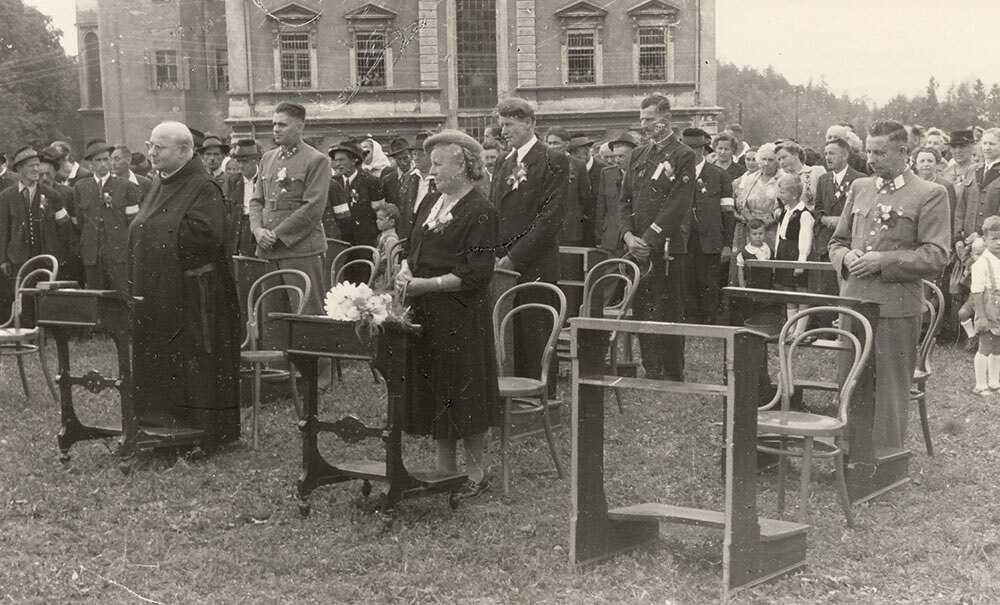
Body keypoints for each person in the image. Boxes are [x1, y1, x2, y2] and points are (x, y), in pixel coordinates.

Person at [828, 119, 951, 449]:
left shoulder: (930, 194)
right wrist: (845, 257)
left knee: (889, 390)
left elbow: (937, 255)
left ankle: (885, 460)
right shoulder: (860, 188)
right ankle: (849, 452)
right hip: (853, 304)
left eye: (880, 152)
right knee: (850, 381)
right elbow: (836, 242)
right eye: (868, 151)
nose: (871, 159)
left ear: (903, 152)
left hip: (895, 309)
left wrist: (883, 262)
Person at [395, 130, 500, 500]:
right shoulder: (431, 202)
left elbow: (477, 274)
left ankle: (475, 474)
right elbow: (412, 246)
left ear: (464, 165)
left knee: (464, 393)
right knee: (437, 388)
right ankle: (444, 470)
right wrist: (406, 271)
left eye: (439, 163)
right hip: (425, 315)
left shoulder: (481, 211)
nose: (431, 169)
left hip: (460, 316)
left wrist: (429, 285)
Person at [128, 121, 241, 445]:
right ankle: (159, 421)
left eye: (158, 148)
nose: (151, 153)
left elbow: (207, 235)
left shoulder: (202, 186)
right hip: (160, 293)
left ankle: (199, 428)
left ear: (183, 150)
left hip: (194, 297)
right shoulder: (160, 182)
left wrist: (151, 235)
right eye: (150, 145)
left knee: (194, 364)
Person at [491, 98, 568, 394]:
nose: (504, 130)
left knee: (536, 332)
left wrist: (514, 256)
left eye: (509, 124)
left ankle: (541, 398)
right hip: (503, 267)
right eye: (501, 124)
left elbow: (550, 219)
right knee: (511, 333)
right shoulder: (503, 161)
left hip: (534, 263)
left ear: (529, 124)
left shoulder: (552, 159)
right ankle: (516, 395)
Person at [619, 93, 697, 380]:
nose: (644, 125)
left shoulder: (683, 155)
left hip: (666, 248)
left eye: (649, 119)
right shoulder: (639, 154)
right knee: (643, 307)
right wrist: (628, 235)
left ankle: (673, 369)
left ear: (666, 119)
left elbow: (678, 204)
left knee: (669, 308)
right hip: (637, 247)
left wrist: (648, 238)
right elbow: (624, 200)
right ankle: (652, 367)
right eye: (641, 119)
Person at [249, 101, 331, 314]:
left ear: (300, 127)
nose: (276, 129)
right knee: (272, 316)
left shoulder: (316, 160)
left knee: (306, 313)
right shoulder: (267, 158)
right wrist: (257, 230)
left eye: (282, 124)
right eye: (274, 124)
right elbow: (257, 200)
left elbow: (312, 208)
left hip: (300, 250)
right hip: (268, 250)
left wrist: (275, 235)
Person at [0, 147, 72, 319]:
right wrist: (3, 259)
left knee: (44, 296)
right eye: (31, 166)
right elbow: (2, 230)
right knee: (21, 296)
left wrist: (57, 251)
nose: (36, 170)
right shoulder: (6, 197)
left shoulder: (51, 195)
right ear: (19, 169)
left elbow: (65, 225)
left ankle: (43, 332)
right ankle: (25, 332)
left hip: (45, 256)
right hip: (18, 257)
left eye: (37, 165)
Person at [73, 140, 143, 291]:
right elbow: (79, 223)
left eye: (106, 159)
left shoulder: (126, 186)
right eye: (98, 160)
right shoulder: (81, 187)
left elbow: (133, 223)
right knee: (95, 298)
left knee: (121, 296)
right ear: (90, 164)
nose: (103, 164)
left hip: (119, 255)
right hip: (92, 256)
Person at [681, 128, 734, 325]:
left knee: (709, 283)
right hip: (684, 239)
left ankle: (710, 321)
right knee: (686, 282)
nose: (691, 152)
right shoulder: (677, 174)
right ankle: (691, 320)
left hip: (710, 240)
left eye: (696, 148)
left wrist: (727, 244)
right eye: (687, 148)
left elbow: (728, 213)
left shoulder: (718, 175)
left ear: (704, 149)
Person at [811, 137, 865, 296]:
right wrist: (824, 219)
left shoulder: (860, 179)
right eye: (826, 153)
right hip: (827, 242)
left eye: (832, 154)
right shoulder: (824, 179)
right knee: (829, 290)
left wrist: (842, 220)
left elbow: (862, 210)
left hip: (848, 243)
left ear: (845, 155)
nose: (828, 157)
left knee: (848, 290)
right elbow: (818, 207)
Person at [729, 143, 781, 286]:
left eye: (770, 160)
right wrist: (753, 222)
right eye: (763, 159)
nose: (766, 163)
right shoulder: (751, 179)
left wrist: (766, 223)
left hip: (772, 229)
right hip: (751, 228)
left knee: (769, 264)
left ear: (777, 161)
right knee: (748, 265)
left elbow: (783, 206)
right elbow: (741, 204)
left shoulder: (781, 179)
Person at [773, 174, 814, 338]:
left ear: (794, 195)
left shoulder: (804, 214)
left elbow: (805, 239)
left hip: (795, 253)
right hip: (784, 253)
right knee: (788, 290)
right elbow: (779, 235)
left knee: (800, 291)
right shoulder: (785, 212)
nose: (780, 196)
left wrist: (801, 262)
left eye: (782, 192)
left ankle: (800, 330)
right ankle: (790, 328)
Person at [327, 140, 382, 252]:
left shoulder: (370, 182)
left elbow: (379, 212)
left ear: (353, 160)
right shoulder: (332, 183)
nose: (337, 164)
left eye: (342, 160)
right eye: (336, 160)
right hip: (341, 242)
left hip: (364, 242)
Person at [545, 127, 593, 246]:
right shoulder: (541, 164)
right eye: (549, 143)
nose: (552, 146)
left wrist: (573, 214)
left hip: (570, 228)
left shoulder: (578, 165)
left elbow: (584, 196)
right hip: (545, 227)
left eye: (556, 143)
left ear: (566, 144)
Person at [969, 216, 1000, 396]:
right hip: (988, 308)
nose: (999, 242)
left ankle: (994, 381)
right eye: (994, 239)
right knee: (986, 345)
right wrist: (981, 317)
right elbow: (977, 291)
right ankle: (980, 384)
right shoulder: (982, 263)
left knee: (998, 347)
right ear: (986, 239)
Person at [594, 132, 638, 253]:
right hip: (611, 240)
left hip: (634, 239)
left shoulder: (642, 174)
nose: (617, 160)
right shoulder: (607, 174)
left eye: (622, 156)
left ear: (634, 155)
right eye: (615, 156)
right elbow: (601, 208)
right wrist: (600, 235)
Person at [955, 128, 1000, 239]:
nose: (987, 148)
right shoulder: (972, 169)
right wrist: (957, 237)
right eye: (984, 143)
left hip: (991, 240)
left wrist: (980, 234)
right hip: (966, 238)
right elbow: (961, 207)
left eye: (992, 144)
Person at [226, 139, 261, 257]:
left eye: (245, 161)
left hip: (257, 227)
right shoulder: (234, 181)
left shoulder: (264, 179)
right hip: (238, 226)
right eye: (238, 161)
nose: (240, 166)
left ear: (255, 160)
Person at [569, 135, 603, 246]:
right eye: (574, 152)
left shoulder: (603, 171)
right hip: (575, 232)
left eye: (582, 151)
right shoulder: (569, 170)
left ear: (588, 151)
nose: (579, 155)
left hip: (597, 230)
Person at [776, 139, 825, 209]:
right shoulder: (781, 179)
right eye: (779, 159)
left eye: (784, 157)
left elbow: (826, 200)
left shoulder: (816, 171)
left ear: (796, 155)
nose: (781, 162)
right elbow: (777, 207)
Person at [914, 146, 958, 222]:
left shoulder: (946, 186)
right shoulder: (912, 185)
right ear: (916, 165)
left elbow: (950, 216)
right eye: (922, 161)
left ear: (937, 164)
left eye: (930, 161)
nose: (926, 164)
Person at [943, 129, 978, 198]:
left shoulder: (979, 170)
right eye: (954, 147)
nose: (957, 151)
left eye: (962, 146)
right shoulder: (945, 172)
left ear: (972, 147)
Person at [373, 201, 400, 290]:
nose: (377, 221)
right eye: (377, 219)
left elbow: (392, 264)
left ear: (391, 222)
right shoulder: (382, 236)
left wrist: (389, 282)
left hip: (385, 279)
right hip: (378, 276)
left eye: (381, 219)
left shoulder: (391, 239)